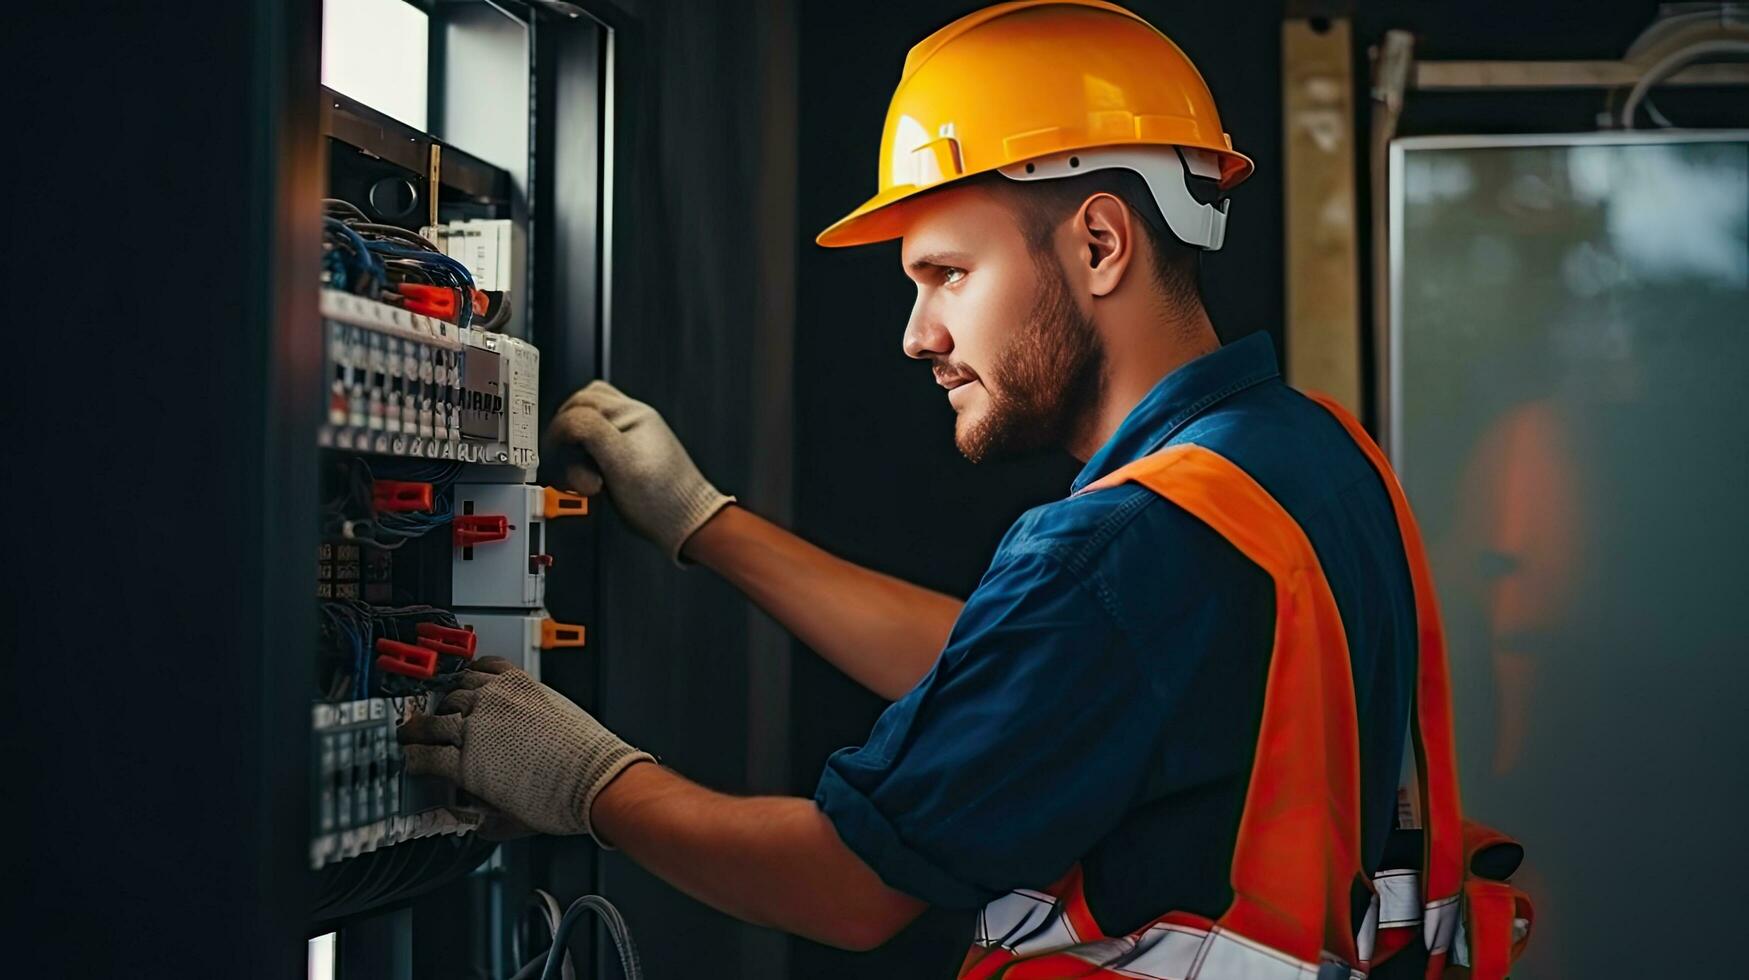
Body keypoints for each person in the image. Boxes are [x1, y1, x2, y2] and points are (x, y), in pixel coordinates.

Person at [400, 3, 1527, 975]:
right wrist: (708, 524)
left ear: (1098, 242)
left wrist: (585, 778)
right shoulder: (1307, 458)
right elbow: (1021, 671)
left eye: (949, 272)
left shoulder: (1123, 548)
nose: (917, 333)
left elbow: (847, 885)